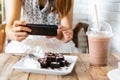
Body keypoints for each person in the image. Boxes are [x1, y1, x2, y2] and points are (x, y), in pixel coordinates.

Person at [5, 0, 79, 54]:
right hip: (26, 44)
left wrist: (64, 35)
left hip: (57, 46)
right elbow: (9, 27)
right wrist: (14, 34)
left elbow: (67, 29)